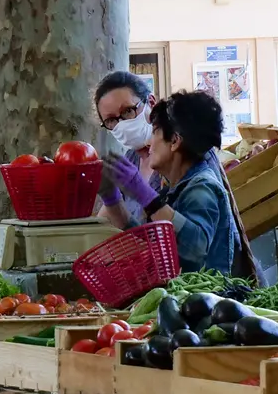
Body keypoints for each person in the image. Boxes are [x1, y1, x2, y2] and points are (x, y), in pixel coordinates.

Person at [103, 90, 243, 274]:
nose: (150, 143)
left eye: (154, 132)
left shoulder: (202, 188)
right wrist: (111, 198)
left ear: (175, 141)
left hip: (206, 300)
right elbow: (149, 248)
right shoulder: (174, 188)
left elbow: (195, 250)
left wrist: (146, 196)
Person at [93, 70, 157, 225]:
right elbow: (102, 224)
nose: (122, 124)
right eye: (111, 120)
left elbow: (188, 242)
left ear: (151, 103)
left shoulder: (181, 156)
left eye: (128, 111)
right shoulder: (129, 161)